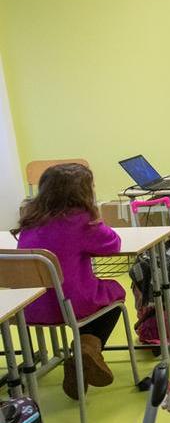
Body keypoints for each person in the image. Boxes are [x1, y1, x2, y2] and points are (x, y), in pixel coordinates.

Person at [16, 163, 124, 399]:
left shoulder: (30, 220)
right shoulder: (81, 221)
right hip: (69, 306)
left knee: (90, 298)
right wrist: (96, 217)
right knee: (114, 296)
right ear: (84, 192)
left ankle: (82, 354)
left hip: (30, 308)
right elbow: (113, 244)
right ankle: (85, 350)